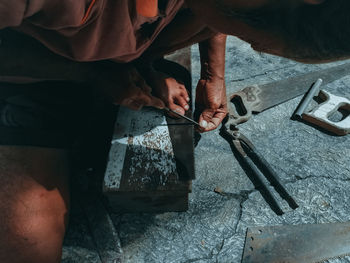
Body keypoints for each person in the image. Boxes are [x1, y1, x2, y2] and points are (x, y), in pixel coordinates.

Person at [0, 0, 349, 262]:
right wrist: (93, 76)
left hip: (116, 54)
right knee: (26, 245)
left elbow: (221, 15)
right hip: (27, 72)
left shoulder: (225, 5)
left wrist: (213, 76)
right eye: (253, 40)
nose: (248, 42)